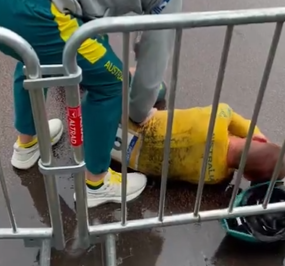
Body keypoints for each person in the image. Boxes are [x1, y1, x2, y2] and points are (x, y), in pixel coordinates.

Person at [0, 0, 182, 209]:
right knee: (113, 83)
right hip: (42, 12)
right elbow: (154, 54)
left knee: (34, 56)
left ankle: (28, 143)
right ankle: (96, 183)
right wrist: (139, 109)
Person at [111, 103, 285, 185]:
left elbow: (233, 116)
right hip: (122, 156)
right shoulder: (215, 177)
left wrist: (257, 133)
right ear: (248, 176)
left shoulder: (219, 118)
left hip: (125, 116)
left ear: (257, 140)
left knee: (158, 89)